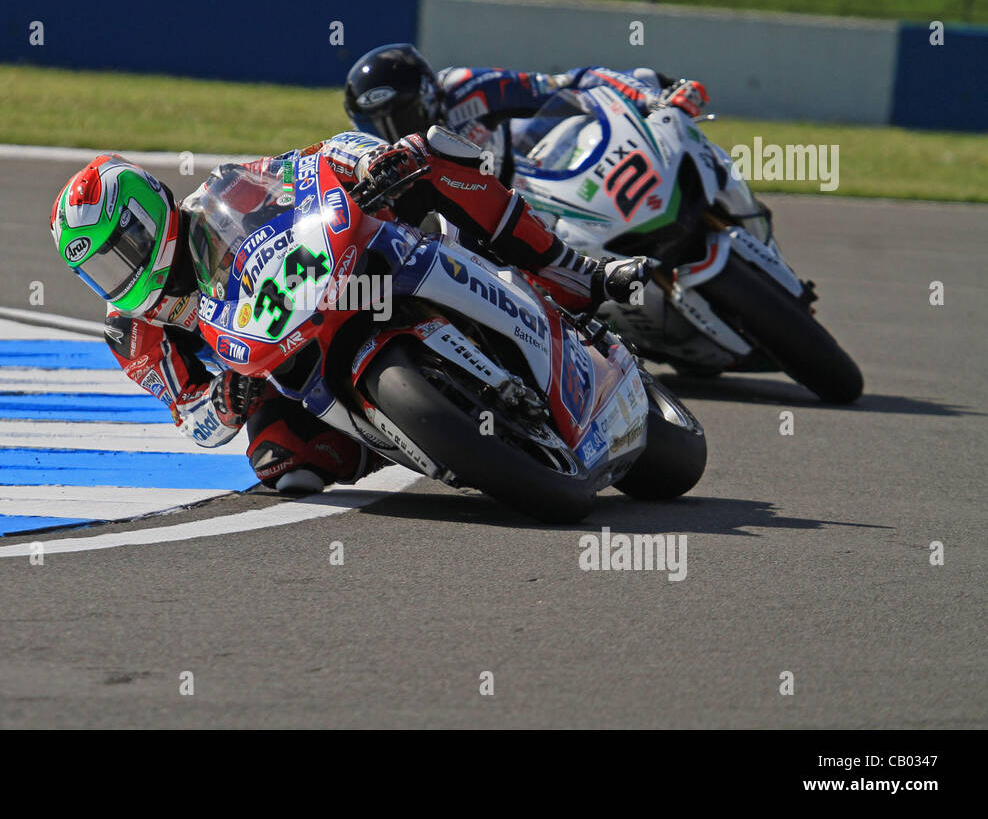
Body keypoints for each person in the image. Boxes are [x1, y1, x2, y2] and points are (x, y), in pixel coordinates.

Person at [50, 129, 650, 493]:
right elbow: (192, 421)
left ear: (148, 215)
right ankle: (412, 439)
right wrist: (223, 400)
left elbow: (307, 162)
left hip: (344, 271)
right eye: (101, 269)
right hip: (281, 365)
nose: (119, 275)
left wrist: (368, 162)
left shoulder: (222, 195)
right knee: (278, 460)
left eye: (121, 251)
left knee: (427, 156)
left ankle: (572, 273)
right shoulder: (133, 333)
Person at [343, 43, 710, 184]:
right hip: (480, 241)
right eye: (373, 125)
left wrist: (652, 98)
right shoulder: (373, 165)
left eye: (399, 117)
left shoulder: (466, 88)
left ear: (427, 97)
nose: (391, 133)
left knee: (638, 82)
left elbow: (571, 83)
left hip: (525, 180)